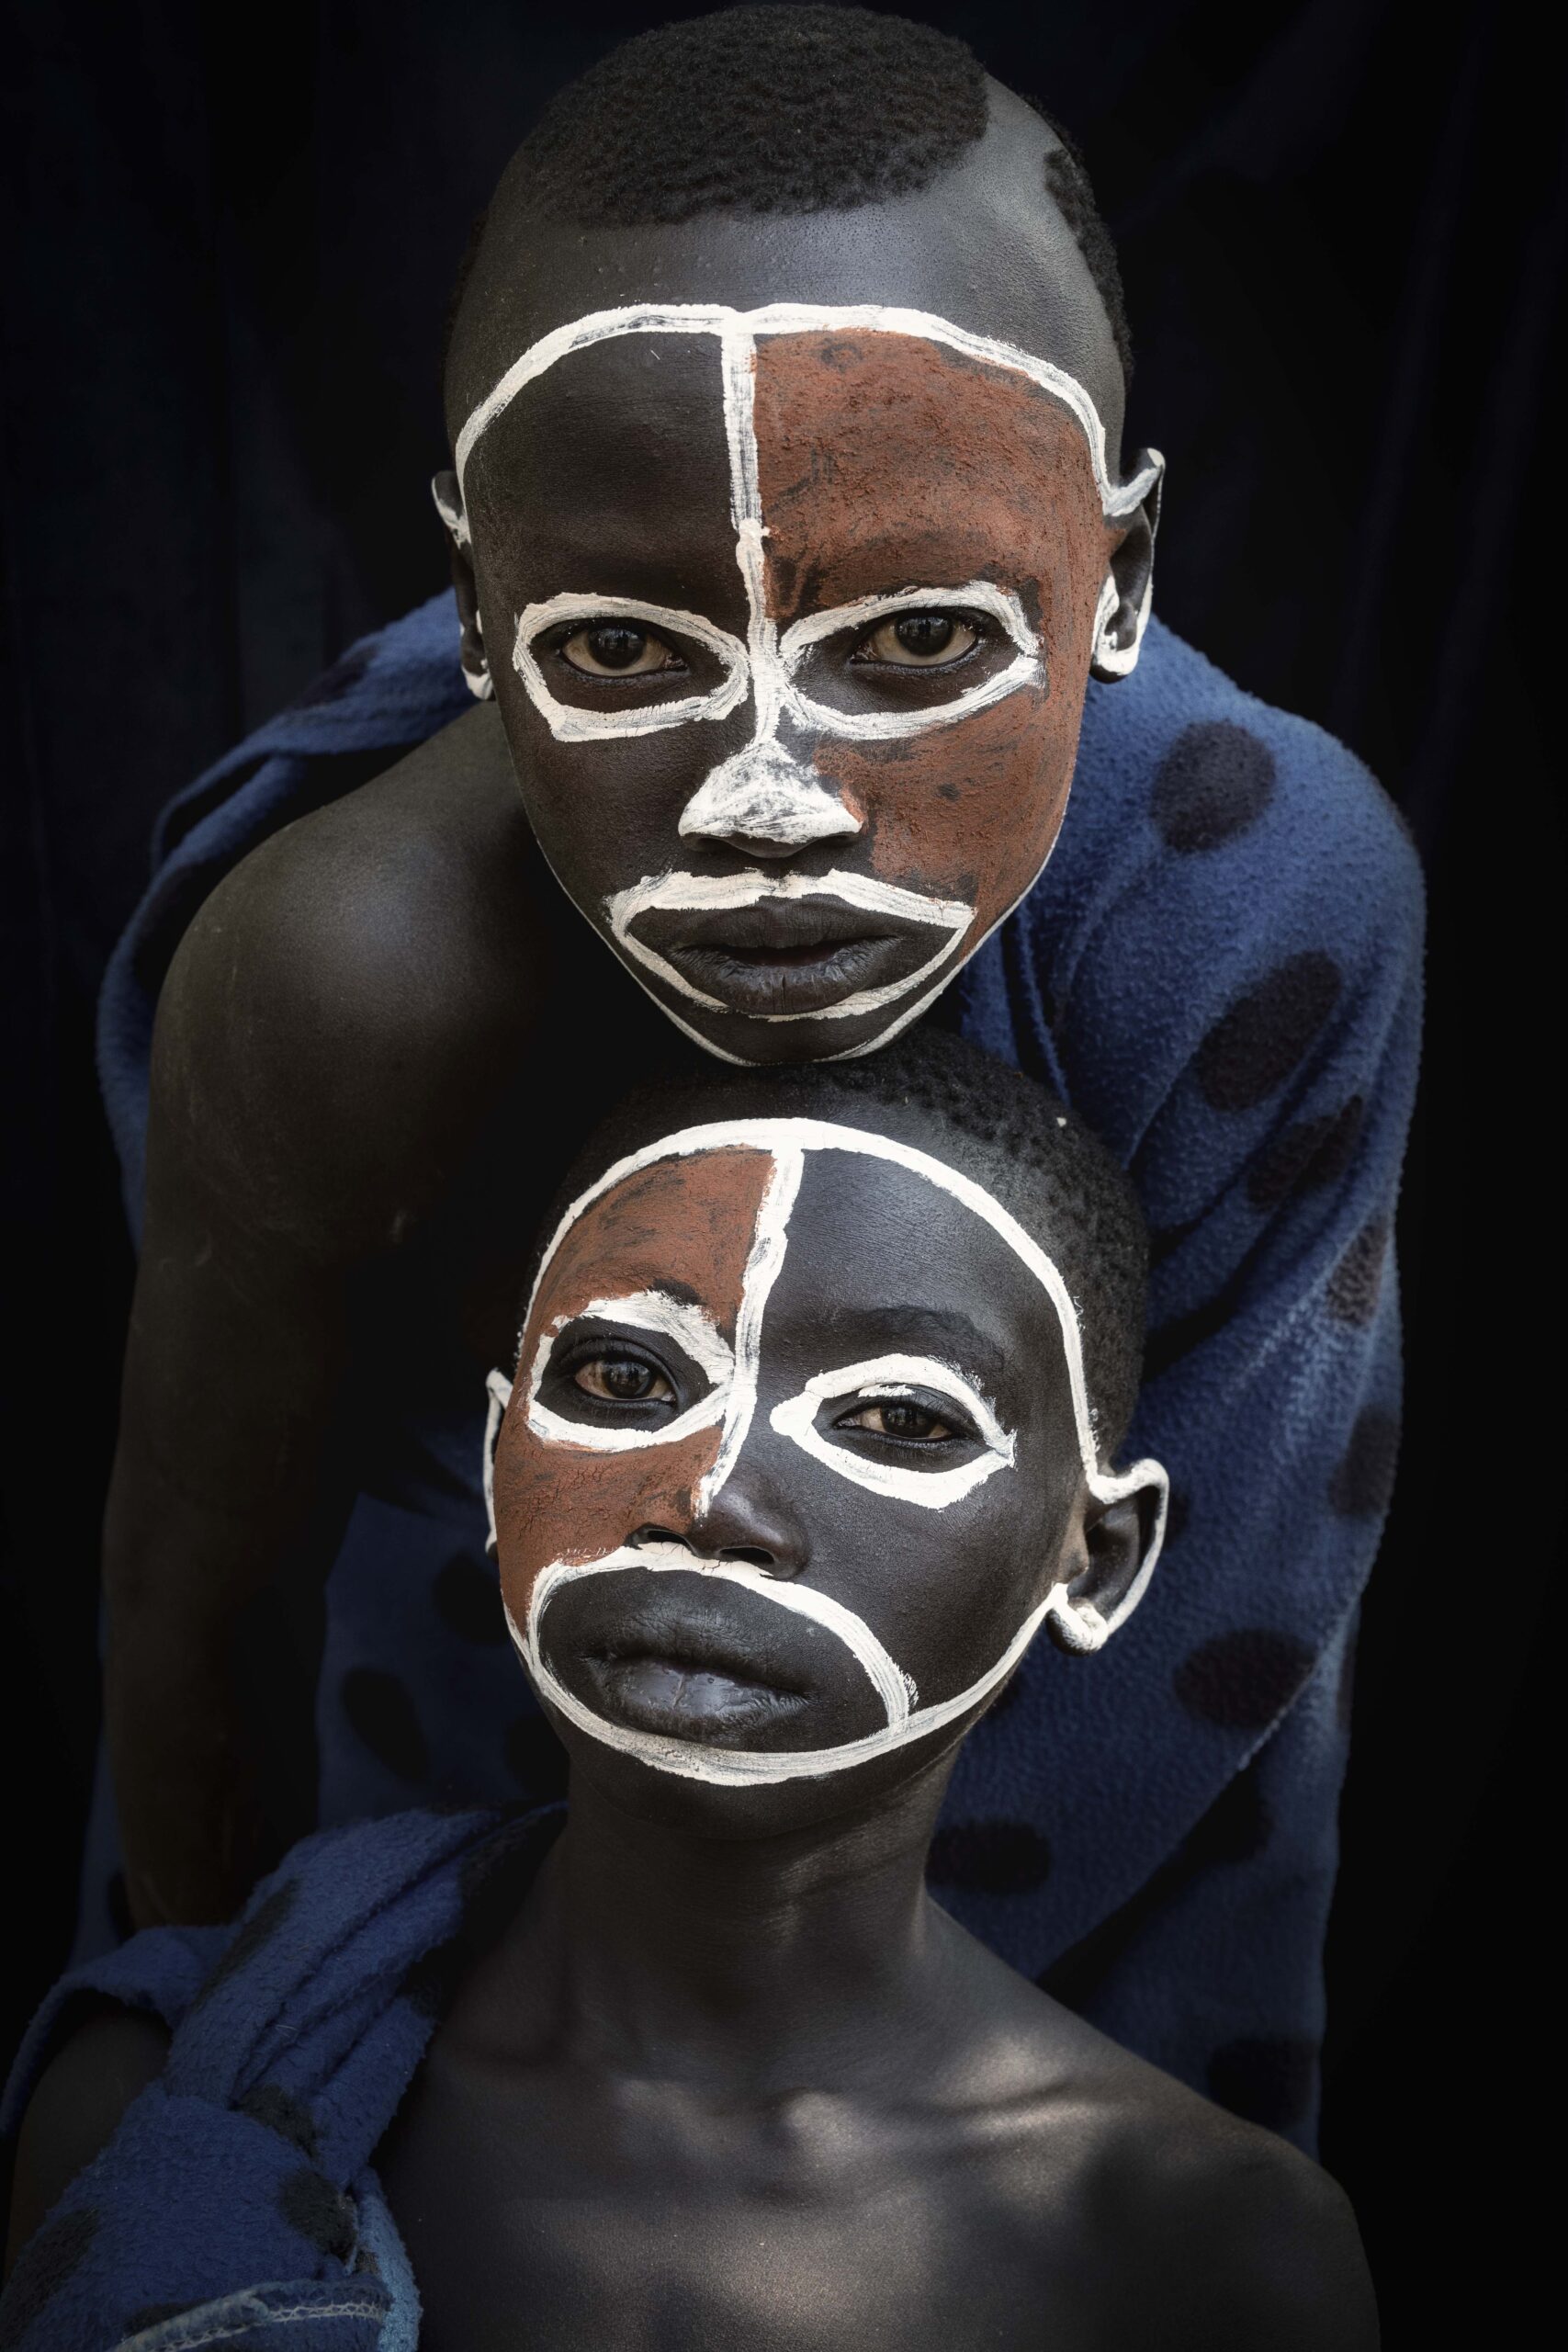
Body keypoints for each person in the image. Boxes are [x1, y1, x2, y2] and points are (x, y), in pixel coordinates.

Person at [92, 6, 1422, 2145]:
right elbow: (196, 1632)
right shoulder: (348, 980)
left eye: (914, 644)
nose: (770, 802)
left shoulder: (1252, 904)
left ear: (1119, 584)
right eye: (622, 651)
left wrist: (924, 2156)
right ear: (472, 603)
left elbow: (1213, 1652)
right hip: (456, 1833)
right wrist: (253, 2109)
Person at [5, 1037, 1377, 2348]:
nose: (712, 1496)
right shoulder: (166, 2097)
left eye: (899, 1417)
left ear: (1096, 1560)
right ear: (499, 1464)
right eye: (623, 1376)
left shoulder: (1206, 2261)